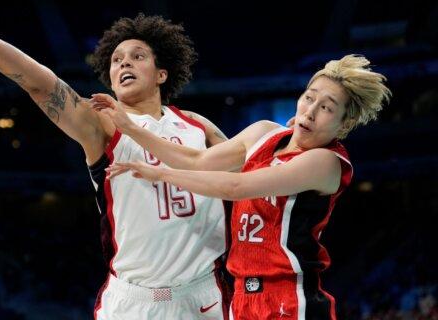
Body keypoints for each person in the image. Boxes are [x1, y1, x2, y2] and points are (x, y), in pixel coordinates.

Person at [0, 0, 232, 319]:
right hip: (135, 303)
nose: (124, 64)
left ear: (162, 74)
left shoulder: (198, 126)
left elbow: (247, 177)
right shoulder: (102, 121)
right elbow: (40, 84)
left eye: (137, 56)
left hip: (205, 295)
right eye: (116, 60)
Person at [94, 55, 391, 319]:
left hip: (290, 299)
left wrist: (161, 175)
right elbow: (198, 161)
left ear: (343, 124)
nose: (310, 111)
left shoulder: (325, 163)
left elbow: (235, 186)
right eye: (309, 97)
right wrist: (131, 128)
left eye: (326, 107)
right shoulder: (264, 133)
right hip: (242, 296)